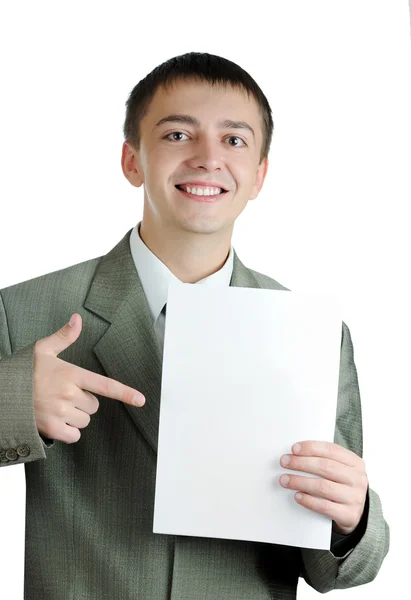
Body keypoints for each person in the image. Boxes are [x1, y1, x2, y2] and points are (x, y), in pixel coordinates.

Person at [0, 52, 389, 600]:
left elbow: (340, 571)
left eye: (234, 141)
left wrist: (353, 517)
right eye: (178, 135)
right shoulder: (25, 311)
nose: (208, 158)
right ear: (132, 160)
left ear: (259, 176)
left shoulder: (314, 334)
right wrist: (11, 400)